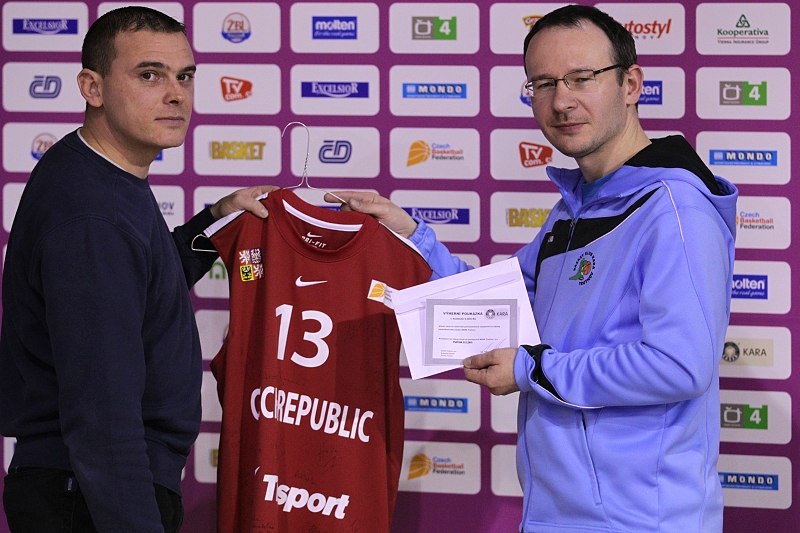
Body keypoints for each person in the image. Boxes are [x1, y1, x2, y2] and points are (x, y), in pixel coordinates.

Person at [327, 4, 737, 532]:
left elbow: (679, 365)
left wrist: (532, 369)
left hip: (640, 522)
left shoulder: (675, 209)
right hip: (555, 515)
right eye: (543, 84)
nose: (561, 101)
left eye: (581, 78)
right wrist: (410, 237)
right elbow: (498, 306)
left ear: (630, 85)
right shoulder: (574, 210)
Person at [0, 6, 273, 532]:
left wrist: (213, 223)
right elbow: (102, 419)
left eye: (184, 76)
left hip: (85, 488)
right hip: (91, 496)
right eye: (150, 75)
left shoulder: (96, 173)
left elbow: (138, 284)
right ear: (93, 88)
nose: (176, 95)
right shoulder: (92, 216)